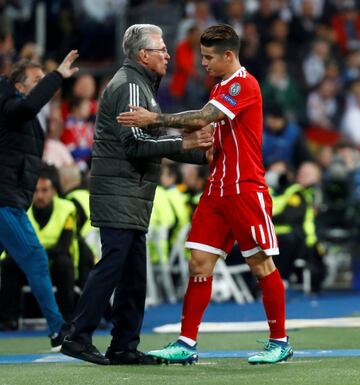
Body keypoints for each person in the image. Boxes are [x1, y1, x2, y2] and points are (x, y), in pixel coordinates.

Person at [117, 24, 293, 365]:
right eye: (201, 56)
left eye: (209, 57)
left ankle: (280, 340)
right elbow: (202, 124)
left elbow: (204, 117)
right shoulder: (220, 86)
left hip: (245, 188)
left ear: (229, 55)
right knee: (199, 261)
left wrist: (153, 119)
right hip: (216, 189)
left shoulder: (244, 84)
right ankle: (186, 342)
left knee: (260, 264)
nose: (203, 63)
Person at [60, 24, 213, 366]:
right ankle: (78, 336)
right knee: (113, 267)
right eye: (162, 49)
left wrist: (199, 155)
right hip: (119, 191)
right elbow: (135, 144)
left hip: (130, 193)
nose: (168, 55)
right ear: (144, 54)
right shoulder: (130, 85)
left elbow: (154, 146)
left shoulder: (140, 83)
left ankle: (124, 346)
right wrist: (185, 142)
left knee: (132, 276)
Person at [0, 50, 79, 349]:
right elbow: (30, 106)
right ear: (19, 86)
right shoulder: (11, 104)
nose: (42, 85)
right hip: (4, 200)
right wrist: (57, 76)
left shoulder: (19, 109)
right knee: (35, 258)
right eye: (37, 80)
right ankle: (59, 330)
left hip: (11, 198)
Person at [0, 164, 78, 324]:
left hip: (54, 264)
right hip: (28, 265)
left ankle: (67, 319)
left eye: (44, 190)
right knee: (8, 263)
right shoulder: (21, 210)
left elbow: (63, 247)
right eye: (36, 191)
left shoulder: (67, 209)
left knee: (63, 263)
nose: (39, 196)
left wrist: (33, 254)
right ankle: (9, 319)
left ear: (54, 191)